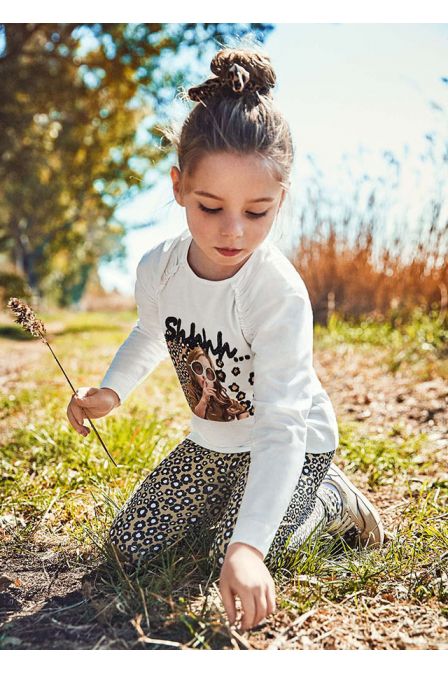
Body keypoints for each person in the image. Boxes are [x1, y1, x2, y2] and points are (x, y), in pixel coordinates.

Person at [66, 42, 384, 632]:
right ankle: (241, 514)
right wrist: (111, 391)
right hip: (214, 441)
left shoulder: (276, 294)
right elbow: (149, 331)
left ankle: (328, 502)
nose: (233, 232)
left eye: (258, 212)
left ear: (280, 200)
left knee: (236, 552)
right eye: (210, 205)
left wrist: (250, 549)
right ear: (179, 184)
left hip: (293, 443)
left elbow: (283, 422)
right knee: (132, 551)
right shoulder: (158, 268)